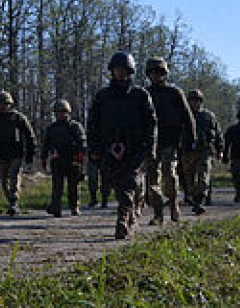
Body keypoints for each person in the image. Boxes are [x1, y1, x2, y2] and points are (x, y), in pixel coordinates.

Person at [86, 51, 157, 240]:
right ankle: (130, 212)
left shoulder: (140, 95)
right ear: (112, 71)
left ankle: (122, 220)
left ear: (130, 72)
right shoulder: (102, 96)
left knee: (128, 182)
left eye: (124, 70)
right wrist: (93, 148)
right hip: (107, 147)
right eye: (117, 70)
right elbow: (92, 123)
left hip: (134, 148)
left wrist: (149, 148)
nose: (121, 74)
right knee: (117, 184)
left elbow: (151, 123)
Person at [142, 57, 196, 225]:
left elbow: (188, 117)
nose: (155, 76)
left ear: (164, 74)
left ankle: (173, 203)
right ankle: (158, 213)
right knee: (152, 179)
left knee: (170, 175)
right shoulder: (144, 94)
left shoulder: (174, 93)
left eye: (158, 73)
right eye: (152, 73)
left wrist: (191, 139)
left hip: (170, 141)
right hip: (151, 143)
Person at [0, 91, 36, 215]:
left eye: (6, 104)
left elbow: (30, 136)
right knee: (3, 180)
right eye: (1, 104)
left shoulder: (18, 117)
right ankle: (11, 202)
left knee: (14, 177)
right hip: (0, 153)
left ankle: (14, 202)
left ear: (10, 104)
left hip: (15, 153)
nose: (3, 106)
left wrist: (30, 153)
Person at [180, 89, 223, 214]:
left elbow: (218, 133)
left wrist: (220, 149)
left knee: (203, 177)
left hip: (205, 151)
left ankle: (200, 201)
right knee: (189, 179)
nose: (195, 103)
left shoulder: (208, 116)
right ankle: (194, 199)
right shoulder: (183, 116)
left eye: (197, 101)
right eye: (192, 101)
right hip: (187, 151)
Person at [41, 99, 86, 217]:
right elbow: (46, 144)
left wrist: (80, 158)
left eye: (63, 111)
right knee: (57, 186)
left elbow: (82, 143)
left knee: (73, 186)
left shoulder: (75, 126)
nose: (60, 114)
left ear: (68, 112)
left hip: (73, 160)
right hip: (57, 160)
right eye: (57, 112)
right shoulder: (52, 128)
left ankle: (74, 206)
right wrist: (44, 158)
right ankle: (56, 207)